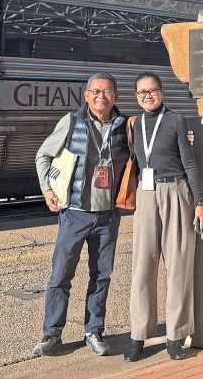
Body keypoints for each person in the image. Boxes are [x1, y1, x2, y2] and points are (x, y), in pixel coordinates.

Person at [32, 72, 130, 358]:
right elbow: (43, 155)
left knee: (101, 277)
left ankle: (94, 330)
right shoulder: (71, 121)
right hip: (74, 214)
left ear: (116, 96)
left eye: (107, 92)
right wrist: (47, 188)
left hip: (108, 217)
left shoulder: (126, 127)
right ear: (86, 96)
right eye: (96, 92)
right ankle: (52, 334)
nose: (102, 96)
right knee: (61, 276)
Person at [124, 71, 203, 362]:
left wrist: (200, 201)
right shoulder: (132, 124)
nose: (147, 95)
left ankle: (175, 335)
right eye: (142, 92)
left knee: (178, 265)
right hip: (146, 196)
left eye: (152, 90)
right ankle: (138, 334)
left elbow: (189, 161)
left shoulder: (175, 120)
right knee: (142, 265)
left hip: (176, 191)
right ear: (136, 96)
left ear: (161, 93)